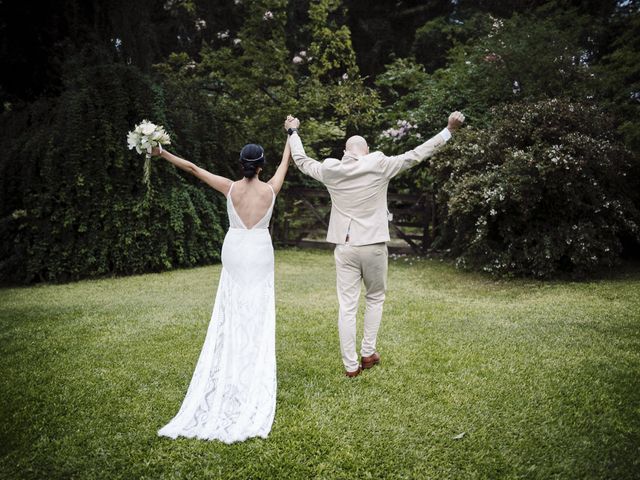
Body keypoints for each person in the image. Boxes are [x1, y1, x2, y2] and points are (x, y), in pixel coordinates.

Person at [284, 112, 465, 377]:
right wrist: (448, 130)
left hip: (345, 246)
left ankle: (350, 366)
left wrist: (293, 132)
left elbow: (301, 160)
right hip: (373, 245)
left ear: (346, 151)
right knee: (375, 298)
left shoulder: (331, 169)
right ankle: (368, 352)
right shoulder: (379, 164)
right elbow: (417, 154)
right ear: (366, 150)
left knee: (347, 306)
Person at [154, 138, 291, 442]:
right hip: (259, 252)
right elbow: (286, 163)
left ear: (242, 164)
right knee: (258, 310)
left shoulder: (230, 188)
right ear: (261, 165)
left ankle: (232, 361)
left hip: (235, 250)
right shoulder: (271, 189)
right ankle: (251, 365)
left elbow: (193, 169)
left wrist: (160, 152)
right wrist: (291, 134)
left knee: (232, 310)